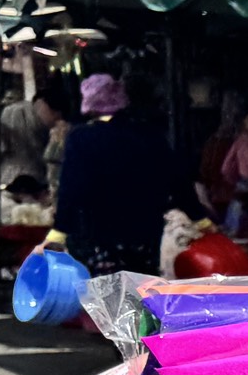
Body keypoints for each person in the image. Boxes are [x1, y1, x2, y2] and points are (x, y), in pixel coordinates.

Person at [53, 73, 195, 276]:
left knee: (108, 294)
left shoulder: (81, 138)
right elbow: (177, 179)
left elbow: (72, 188)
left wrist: (60, 230)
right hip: (145, 232)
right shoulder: (150, 134)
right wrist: (200, 218)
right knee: (141, 288)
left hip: (99, 233)